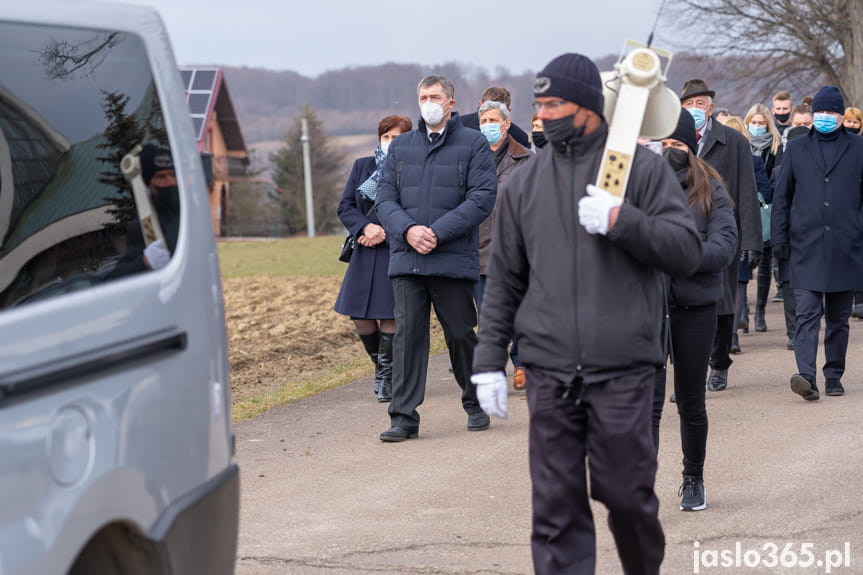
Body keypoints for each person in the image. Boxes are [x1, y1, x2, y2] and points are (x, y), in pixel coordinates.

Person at [472, 53, 703, 574]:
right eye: (539, 104)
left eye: (555, 104)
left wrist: (623, 220)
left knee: (626, 498)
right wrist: (489, 359)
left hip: (622, 366)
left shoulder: (639, 169)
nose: (544, 114)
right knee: (554, 510)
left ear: (588, 109)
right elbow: (505, 278)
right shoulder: (525, 183)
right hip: (550, 371)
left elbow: (686, 250)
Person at [374, 74, 497, 441]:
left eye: (435, 96)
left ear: (451, 103)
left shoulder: (473, 144)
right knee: (408, 338)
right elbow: (384, 198)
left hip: (451, 258)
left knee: (460, 334)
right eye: (422, 96)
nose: (428, 102)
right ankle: (403, 417)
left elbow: (481, 198)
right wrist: (410, 230)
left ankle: (475, 401)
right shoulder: (400, 148)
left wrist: (437, 232)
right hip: (407, 259)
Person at [651, 108, 737, 512]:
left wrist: (684, 254)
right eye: (664, 144)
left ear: (691, 147)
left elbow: (724, 245)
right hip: (648, 309)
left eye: (678, 145)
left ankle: (693, 478)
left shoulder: (711, 189)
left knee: (690, 401)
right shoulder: (643, 187)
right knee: (646, 405)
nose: (671, 151)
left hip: (694, 308)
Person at [772, 85, 863, 400]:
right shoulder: (797, 148)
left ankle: (834, 373)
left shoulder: (859, 147)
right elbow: (782, 198)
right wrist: (779, 240)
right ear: (813, 116)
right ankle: (806, 375)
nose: (825, 117)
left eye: (831, 113)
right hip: (805, 245)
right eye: (820, 112)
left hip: (845, 246)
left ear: (841, 115)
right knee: (807, 312)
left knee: (838, 317)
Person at [680, 78, 762, 392]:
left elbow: (747, 191)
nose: (695, 109)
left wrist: (752, 241)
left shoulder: (734, 142)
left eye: (700, 103)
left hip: (724, 233)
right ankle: (693, 372)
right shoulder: (675, 142)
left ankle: (720, 362)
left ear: (711, 107)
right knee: (689, 304)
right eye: (688, 104)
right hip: (687, 232)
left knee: (724, 304)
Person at [334, 115, 412, 403]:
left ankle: (386, 378)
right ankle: (382, 368)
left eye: (398, 137)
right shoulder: (362, 166)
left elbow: (417, 211)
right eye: (387, 137)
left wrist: (385, 231)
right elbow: (345, 206)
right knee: (361, 319)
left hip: (396, 249)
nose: (391, 143)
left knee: (389, 314)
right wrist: (365, 227)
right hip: (365, 251)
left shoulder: (414, 168)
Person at [475, 100, 531, 390]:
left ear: (507, 124)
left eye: (493, 120)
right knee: (488, 315)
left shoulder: (526, 159)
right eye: (483, 121)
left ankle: (522, 364)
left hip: (516, 250)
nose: (488, 127)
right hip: (480, 249)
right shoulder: (470, 158)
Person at [108, 143, 179, 279]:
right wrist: (144, 263)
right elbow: (116, 278)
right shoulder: (140, 228)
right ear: (148, 184)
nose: (170, 182)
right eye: (161, 177)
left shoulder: (190, 214)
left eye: (172, 174)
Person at [743, 103, 783, 333]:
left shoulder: (776, 148)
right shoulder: (741, 145)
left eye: (761, 123)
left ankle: (759, 310)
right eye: (753, 123)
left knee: (766, 263)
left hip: (767, 208)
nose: (757, 127)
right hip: (747, 208)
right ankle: (743, 312)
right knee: (743, 262)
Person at [458, 85, 531, 148]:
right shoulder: (459, 127)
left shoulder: (519, 137)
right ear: (480, 105)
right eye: (487, 108)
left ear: (508, 111)